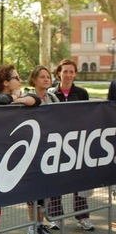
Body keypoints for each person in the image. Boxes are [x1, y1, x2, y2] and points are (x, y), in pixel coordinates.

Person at [0, 64, 41, 234]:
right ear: (5, 82)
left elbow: (36, 99)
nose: (20, 81)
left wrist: (20, 99)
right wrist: (13, 99)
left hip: (12, 155)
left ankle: (38, 225)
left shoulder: (20, 95)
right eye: (16, 78)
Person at [47, 59, 94, 231]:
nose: (68, 75)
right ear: (59, 73)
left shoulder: (81, 93)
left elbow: (87, 115)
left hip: (76, 142)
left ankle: (83, 217)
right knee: (56, 180)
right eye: (65, 71)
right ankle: (56, 218)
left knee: (79, 181)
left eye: (71, 72)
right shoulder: (51, 93)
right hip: (56, 143)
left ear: (75, 74)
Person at [25, 65, 59, 234]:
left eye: (48, 76)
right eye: (42, 77)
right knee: (33, 191)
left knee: (44, 190)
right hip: (32, 151)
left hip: (49, 149)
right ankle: (32, 225)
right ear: (34, 79)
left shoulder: (53, 97)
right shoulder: (28, 97)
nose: (46, 79)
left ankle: (40, 223)